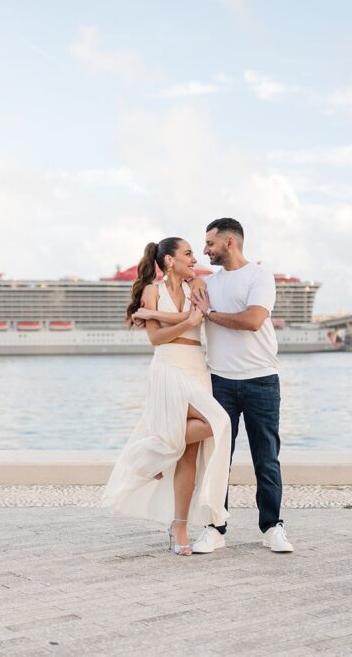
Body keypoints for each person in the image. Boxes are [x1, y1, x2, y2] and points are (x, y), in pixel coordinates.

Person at [100, 237, 232, 555]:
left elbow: (196, 317)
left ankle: (177, 517)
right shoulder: (151, 291)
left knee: (190, 451)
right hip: (168, 367)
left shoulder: (197, 284)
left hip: (197, 367)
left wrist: (155, 314)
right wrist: (180, 318)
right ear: (170, 260)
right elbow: (157, 338)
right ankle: (156, 450)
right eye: (187, 253)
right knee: (219, 421)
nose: (194, 257)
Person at [190, 218, 294, 553]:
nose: (205, 250)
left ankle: (272, 527)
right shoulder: (208, 283)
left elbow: (252, 320)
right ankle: (215, 528)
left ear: (229, 242)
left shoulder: (259, 276)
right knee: (218, 458)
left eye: (209, 244)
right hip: (219, 380)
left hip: (261, 378)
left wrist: (210, 315)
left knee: (267, 458)